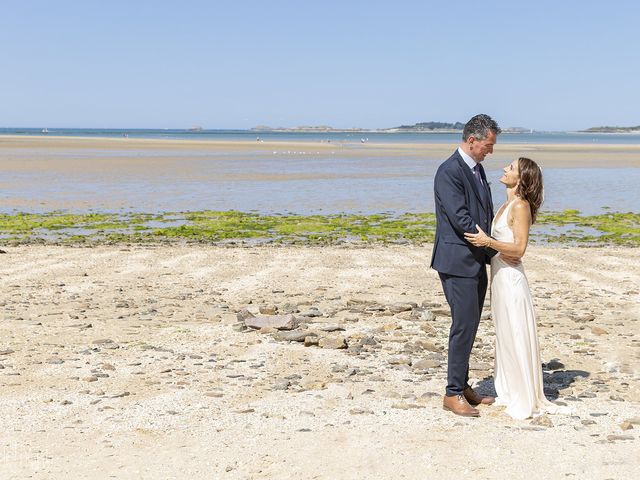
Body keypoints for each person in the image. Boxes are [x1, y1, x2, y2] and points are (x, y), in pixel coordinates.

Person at [464, 157, 571, 419]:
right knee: (505, 333)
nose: (504, 169)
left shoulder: (520, 206)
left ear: (521, 178)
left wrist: (488, 242)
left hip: (511, 278)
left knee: (515, 331)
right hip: (500, 276)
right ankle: (510, 389)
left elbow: (520, 249)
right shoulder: (505, 205)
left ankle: (522, 394)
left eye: (510, 168)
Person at [431, 114, 504, 417]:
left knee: (472, 324)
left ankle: (462, 385)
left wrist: (493, 248)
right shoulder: (449, 171)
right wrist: (490, 243)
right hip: (457, 260)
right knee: (462, 325)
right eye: (488, 144)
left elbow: (484, 211)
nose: (491, 150)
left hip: (476, 261)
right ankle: (451, 394)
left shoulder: (477, 168)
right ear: (472, 140)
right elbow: (460, 217)